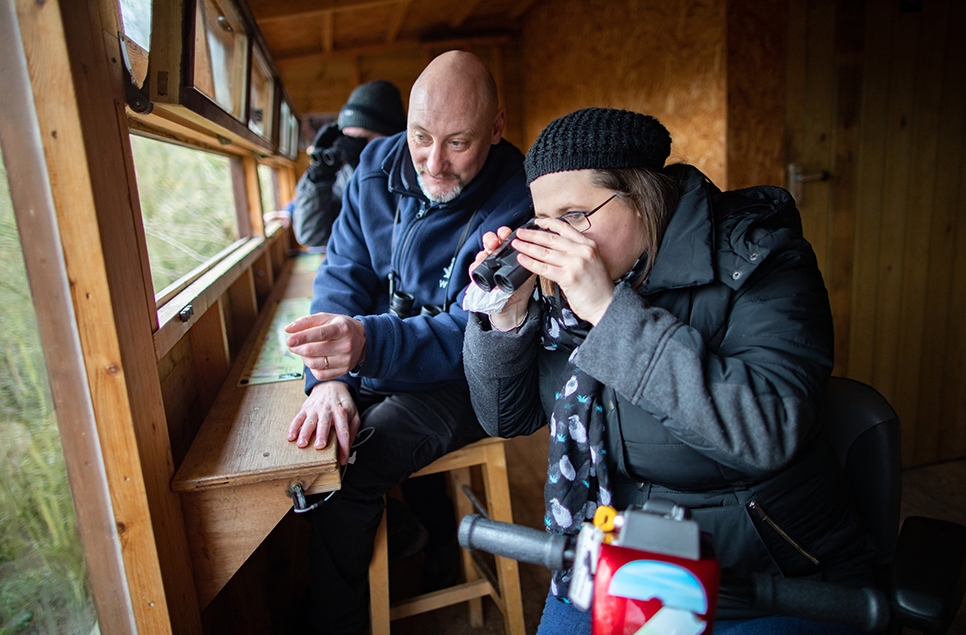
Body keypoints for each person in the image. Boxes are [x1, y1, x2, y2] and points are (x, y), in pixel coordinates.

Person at [462, 108, 877, 635]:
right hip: (624, 557)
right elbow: (504, 417)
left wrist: (610, 313)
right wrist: (506, 320)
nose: (556, 241)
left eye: (574, 215)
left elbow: (767, 430)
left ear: (643, 196)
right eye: (544, 221)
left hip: (767, 574)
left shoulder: (761, 258)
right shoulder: (569, 302)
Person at [283, 51, 531, 634]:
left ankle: (337, 623)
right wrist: (329, 380)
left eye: (458, 143)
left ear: (496, 128)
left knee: (351, 463)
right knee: (315, 436)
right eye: (420, 137)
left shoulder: (519, 200)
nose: (434, 164)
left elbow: (471, 331)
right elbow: (342, 277)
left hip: (467, 381)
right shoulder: (376, 165)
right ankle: (430, 544)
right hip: (376, 359)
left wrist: (366, 344)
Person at [289, 79, 407, 250]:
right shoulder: (345, 175)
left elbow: (385, 240)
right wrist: (319, 175)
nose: (354, 146)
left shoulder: (414, 177)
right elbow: (312, 234)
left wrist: (365, 174)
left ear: (392, 137)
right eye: (348, 138)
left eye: (362, 139)